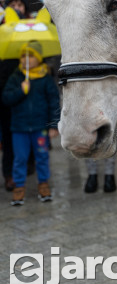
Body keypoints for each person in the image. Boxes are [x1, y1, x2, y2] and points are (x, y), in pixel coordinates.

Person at [2, 40, 60, 206]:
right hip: (19, 128)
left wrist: (53, 125)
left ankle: (43, 184)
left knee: (42, 156)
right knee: (20, 158)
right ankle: (19, 187)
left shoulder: (45, 78)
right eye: (23, 56)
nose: (26, 60)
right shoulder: (16, 77)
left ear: (39, 58)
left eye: (30, 56)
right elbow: (6, 98)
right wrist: (21, 90)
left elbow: (54, 102)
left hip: (40, 128)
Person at [0, 0, 31, 191]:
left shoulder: (31, 29)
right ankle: (9, 173)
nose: (16, 8)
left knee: (23, 133)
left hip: (22, 89)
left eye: (20, 5)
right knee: (8, 134)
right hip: (3, 87)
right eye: (12, 4)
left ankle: (20, 169)